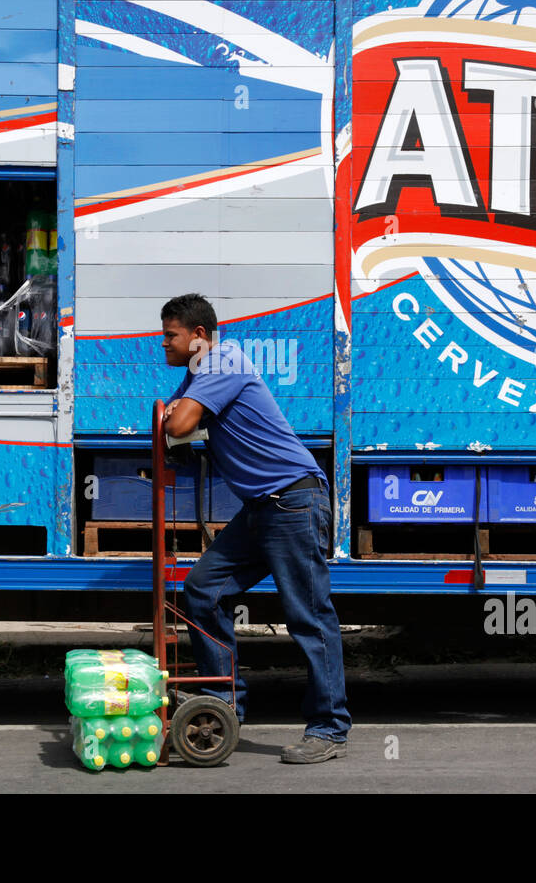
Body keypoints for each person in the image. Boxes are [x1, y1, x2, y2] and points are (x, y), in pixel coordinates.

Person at [160, 293, 351, 763]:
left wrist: (173, 418)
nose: (162, 345)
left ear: (199, 336)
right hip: (263, 508)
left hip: (292, 501)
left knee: (307, 615)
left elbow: (179, 422)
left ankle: (329, 728)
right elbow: (183, 427)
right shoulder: (200, 371)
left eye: (171, 336)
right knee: (203, 589)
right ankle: (224, 703)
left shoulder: (221, 360)